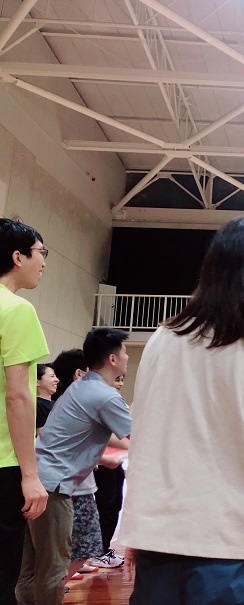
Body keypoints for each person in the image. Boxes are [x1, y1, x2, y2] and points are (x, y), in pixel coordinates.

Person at [119, 218, 244, 605]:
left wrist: (137, 526)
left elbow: (142, 437)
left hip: (158, 539)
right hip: (234, 551)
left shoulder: (161, 340)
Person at [15, 328, 131, 604]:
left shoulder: (82, 386)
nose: (127, 357)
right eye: (125, 352)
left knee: (31, 569)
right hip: (53, 486)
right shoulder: (105, 395)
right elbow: (141, 436)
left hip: (38, 478)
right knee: (54, 567)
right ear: (113, 359)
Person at [0, 218, 49, 605]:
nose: (43, 262)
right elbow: (18, 397)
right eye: (40, 253)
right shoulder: (16, 309)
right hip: (2, 466)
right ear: (17, 257)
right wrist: (30, 475)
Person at [90, 373, 128, 569]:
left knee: (114, 506)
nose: (120, 383)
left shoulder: (117, 403)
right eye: (116, 379)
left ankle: (104, 549)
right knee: (103, 506)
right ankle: (97, 551)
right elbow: (106, 435)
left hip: (116, 462)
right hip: (101, 463)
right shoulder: (97, 403)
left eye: (122, 380)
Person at [35, 364, 58, 435]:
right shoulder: (38, 404)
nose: (57, 380)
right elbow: (41, 433)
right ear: (37, 382)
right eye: (52, 376)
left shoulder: (55, 403)